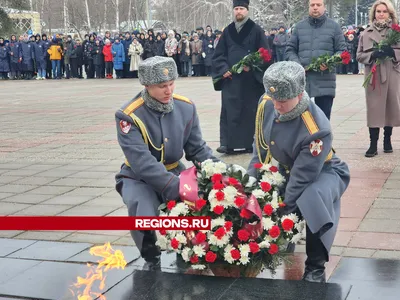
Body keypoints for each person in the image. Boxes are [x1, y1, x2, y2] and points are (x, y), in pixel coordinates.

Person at [247, 61, 350, 283]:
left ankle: (315, 266)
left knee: (311, 199)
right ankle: (288, 241)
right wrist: (250, 188)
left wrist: (282, 213)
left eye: (282, 101)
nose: (277, 105)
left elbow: (303, 177)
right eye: (273, 98)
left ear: (300, 93)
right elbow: (259, 149)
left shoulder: (316, 128)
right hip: (288, 168)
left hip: (324, 171)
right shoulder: (266, 103)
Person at [115, 56, 216, 270]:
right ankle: (151, 256)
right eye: (162, 86)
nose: (168, 90)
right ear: (147, 85)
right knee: (144, 210)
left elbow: (197, 149)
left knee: (199, 203)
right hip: (138, 177)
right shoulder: (128, 115)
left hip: (174, 170)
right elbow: (141, 162)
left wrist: (220, 171)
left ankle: (187, 250)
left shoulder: (185, 107)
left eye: (171, 84)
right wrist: (175, 187)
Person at [212, 0, 271, 154]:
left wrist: (251, 65)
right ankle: (227, 143)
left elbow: (266, 54)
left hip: (250, 80)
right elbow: (219, 55)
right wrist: (224, 69)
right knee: (229, 111)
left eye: (241, 9)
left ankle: (250, 142)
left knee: (250, 111)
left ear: (247, 10)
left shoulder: (256, 30)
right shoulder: (227, 31)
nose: (238, 11)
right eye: (236, 9)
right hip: (231, 79)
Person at [285, 0, 346, 120]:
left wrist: (330, 63)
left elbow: (342, 52)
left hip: (325, 83)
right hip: (303, 83)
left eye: (318, 5)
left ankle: (323, 139)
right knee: (302, 122)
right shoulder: (299, 27)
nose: (315, 8)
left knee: (322, 121)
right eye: (312, 5)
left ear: (324, 7)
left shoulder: (334, 27)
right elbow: (290, 50)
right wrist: (297, 65)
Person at [356, 0, 400, 158]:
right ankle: (373, 143)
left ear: (390, 13)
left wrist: (393, 53)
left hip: (392, 73)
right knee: (374, 108)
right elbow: (359, 55)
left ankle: (387, 140)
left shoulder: (396, 32)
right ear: (374, 14)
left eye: (384, 11)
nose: (381, 14)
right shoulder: (365, 33)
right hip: (374, 74)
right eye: (378, 11)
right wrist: (372, 55)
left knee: (390, 106)